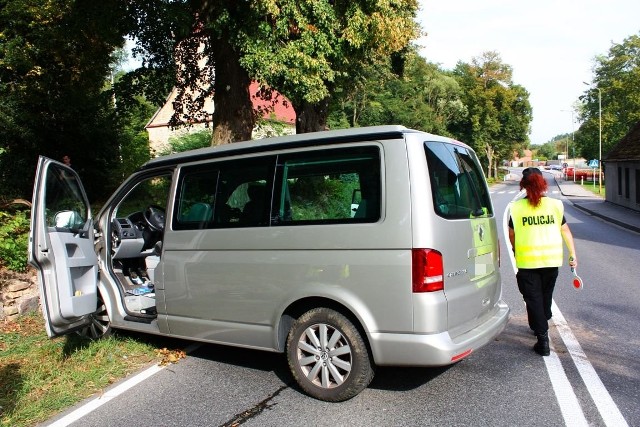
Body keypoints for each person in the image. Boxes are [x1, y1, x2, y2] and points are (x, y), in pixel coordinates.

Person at [508, 167, 577, 356]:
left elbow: (512, 235)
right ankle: (543, 318)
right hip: (551, 260)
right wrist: (572, 254)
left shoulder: (517, 208)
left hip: (528, 262)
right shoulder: (555, 205)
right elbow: (565, 231)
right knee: (545, 297)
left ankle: (543, 340)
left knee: (533, 299)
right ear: (543, 183)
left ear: (523, 185)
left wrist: (516, 249)